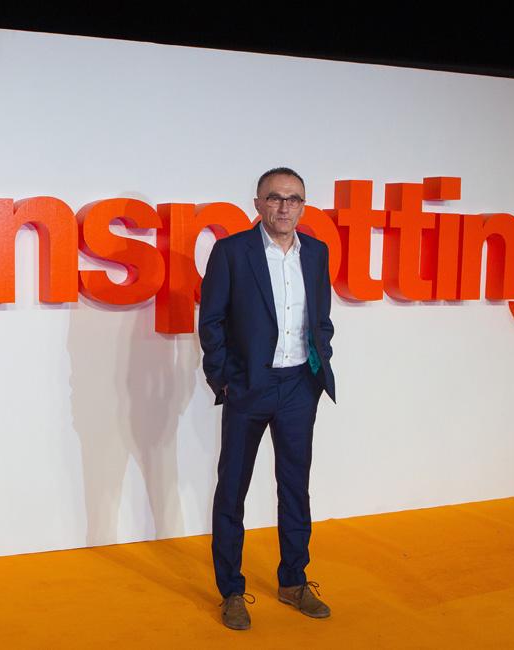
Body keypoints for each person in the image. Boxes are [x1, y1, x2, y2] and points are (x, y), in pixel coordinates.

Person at [198, 167, 336, 630]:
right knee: (232, 490)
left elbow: (321, 318)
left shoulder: (316, 253)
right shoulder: (232, 252)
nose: (284, 207)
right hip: (249, 387)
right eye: (275, 198)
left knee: (295, 486)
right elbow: (211, 321)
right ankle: (232, 590)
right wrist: (225, 379)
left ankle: (294, 581)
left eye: (294, 199)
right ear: (257, 203)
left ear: (303, 206)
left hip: (299, 386)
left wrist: (319, 362)